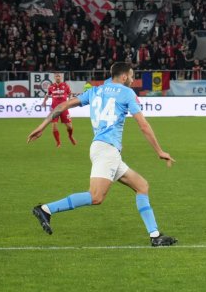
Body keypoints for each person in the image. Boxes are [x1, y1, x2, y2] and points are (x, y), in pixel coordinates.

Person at [29, 62, 177, 247]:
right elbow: (143, 125)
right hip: (107, 151)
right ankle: (46, 209)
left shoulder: (96, 91)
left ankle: (155, 236)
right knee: (96, 196)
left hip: (103, 149)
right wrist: (159, 151)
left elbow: (63, 106)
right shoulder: (127, 93)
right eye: (131, 76)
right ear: (123, 77)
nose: (132, 79)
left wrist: (42, 126)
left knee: (142, 186)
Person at [42, 72, 76, 147]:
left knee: (69, 126)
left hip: (64, 107)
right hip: (54, 109)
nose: (58, 77)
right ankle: (58, 142)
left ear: (61, 77)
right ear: (54, 78)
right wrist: (44, 101)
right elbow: (47, 95)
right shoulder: (51, 86)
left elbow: (70, 94)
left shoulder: (65, 86)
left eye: (59, 76)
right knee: (54, 126)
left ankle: (70, 136)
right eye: (56, 76)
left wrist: (70, 99)